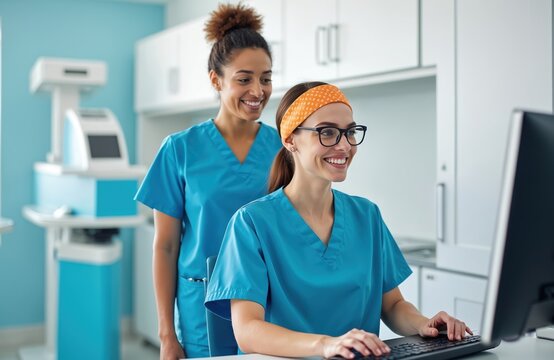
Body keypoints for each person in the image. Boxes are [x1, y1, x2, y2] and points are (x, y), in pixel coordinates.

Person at [205, 82, 473, 359]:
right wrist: (325, 345)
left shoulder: (367, 216)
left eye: (350, 132)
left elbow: (392, 305)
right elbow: (248, 330)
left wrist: (424, 324)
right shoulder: (251, 223)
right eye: (328, 132)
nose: (344, 145)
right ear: (290, 140)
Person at [134, 3, 281, 359]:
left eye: (265, 78)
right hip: (202, 305)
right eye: (244, 79)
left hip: (269, 304)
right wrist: (167, 335)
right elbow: (165, 247)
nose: (257, 90)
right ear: (216, 80)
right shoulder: (180, 150)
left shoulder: (283, 145)